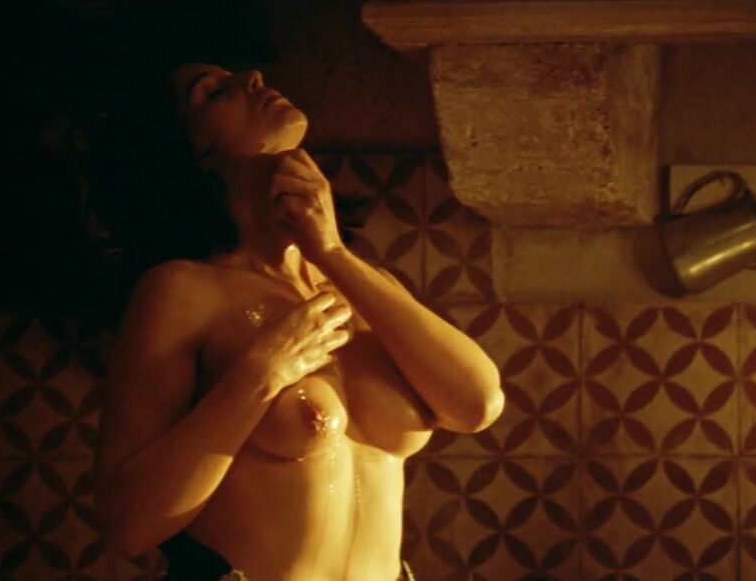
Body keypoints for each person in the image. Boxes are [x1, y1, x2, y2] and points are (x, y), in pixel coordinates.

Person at [91, 61, 504, 581]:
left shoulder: (358, 284)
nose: (253, 79)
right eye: (213, 92)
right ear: (187, 152)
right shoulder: (182, 291)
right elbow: (127, 525)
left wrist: (331, 252)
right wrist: (260, 374)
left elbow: (477, 403)